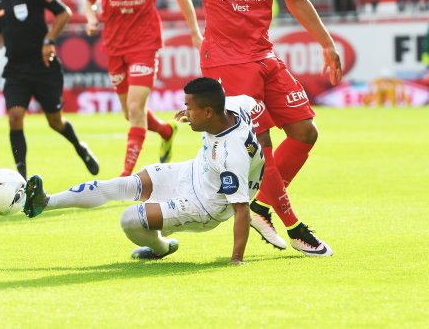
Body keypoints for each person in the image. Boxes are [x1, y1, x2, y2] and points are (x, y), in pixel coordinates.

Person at [149, 0, 340, 254]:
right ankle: (295, 226)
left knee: (304, 132)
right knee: (261, 145)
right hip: (225, 59)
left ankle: (260, 207)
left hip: (263, 54)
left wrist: (326, 42)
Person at [23, 77, 327, 263]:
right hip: (190, 171)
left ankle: (161, 247)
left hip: (202, 205)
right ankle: (46, 202)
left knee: (130, 219)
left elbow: (241, 211)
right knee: (127, 184)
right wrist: (261, 144)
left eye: (189, 107)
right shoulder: (237, 104)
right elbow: (257, 110)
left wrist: (237, 260)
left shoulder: (230, 154)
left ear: (209, 112)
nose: (185, 111)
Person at [83, 0, 203, 176]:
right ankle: (165, 129)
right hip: (114, 45)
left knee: (137, 108)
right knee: (130, 113)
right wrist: (90, 17)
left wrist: (194, 31)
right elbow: (87, 1)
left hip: (145, 43)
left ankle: (125, 177)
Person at [0, 0, 99, 179]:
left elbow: (64, 13)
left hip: (43, 66)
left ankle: (80, 148)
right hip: (16, 69)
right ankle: (22, 178)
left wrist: (49, 40)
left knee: (55, 122)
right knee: (15, 117)